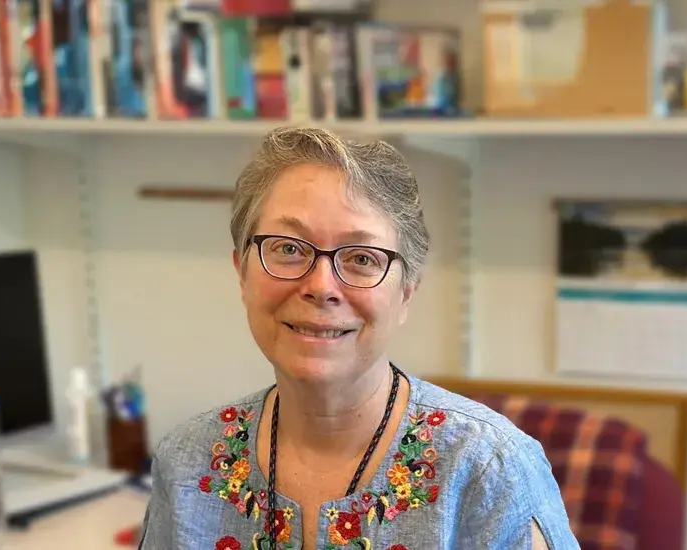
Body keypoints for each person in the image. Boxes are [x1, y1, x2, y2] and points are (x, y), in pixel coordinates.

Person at [138, 127, 579, 550]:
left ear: (405, 293)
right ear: (242, 272)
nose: (321, 285)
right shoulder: (186, 460)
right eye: (289, 248)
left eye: (362, 258)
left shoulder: (488, 470)